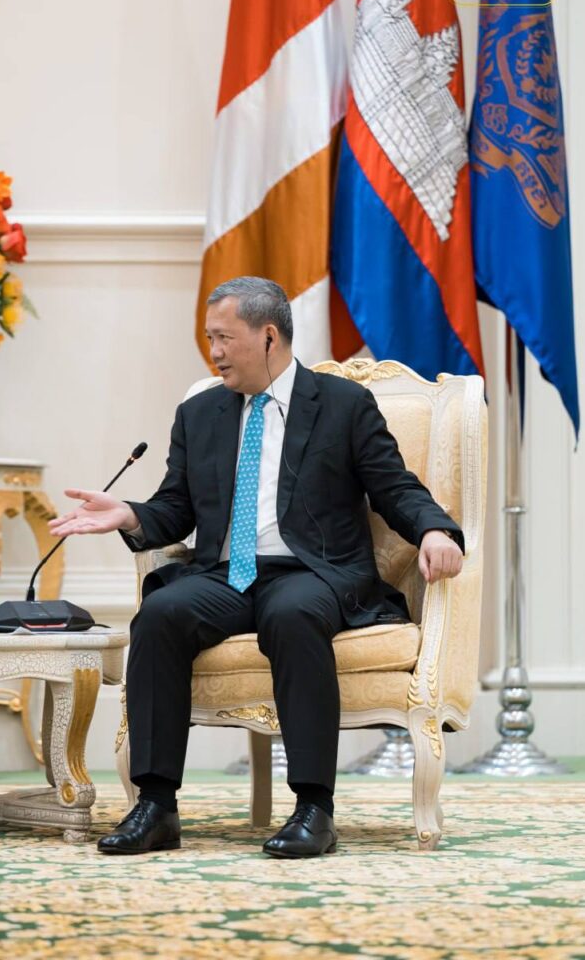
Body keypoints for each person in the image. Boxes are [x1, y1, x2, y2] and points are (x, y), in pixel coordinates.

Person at [48, 277, 464, 859]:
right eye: (208, 338)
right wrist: (130, 515)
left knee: (292, 615)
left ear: (269, 336)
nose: (214, 352)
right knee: (160, 614)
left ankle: (314, 808)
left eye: (224, 338)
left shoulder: (343, 406)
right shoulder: (199, 414)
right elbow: (175, 509)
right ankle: (156, 805)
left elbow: (394, 487)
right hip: (226, 575)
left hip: (312, 573)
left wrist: (435, 529)